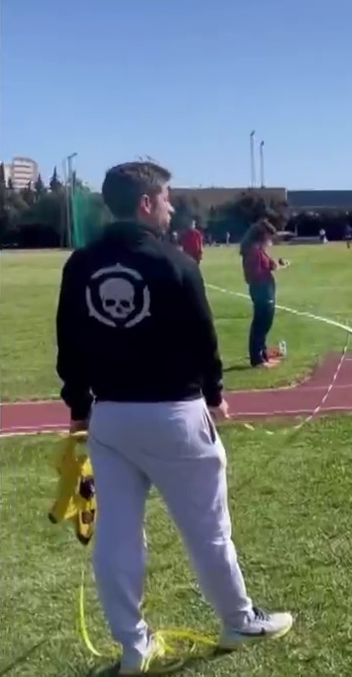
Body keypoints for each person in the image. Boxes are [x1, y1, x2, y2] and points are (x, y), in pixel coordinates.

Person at [55, 161, 293, 675]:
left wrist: (79, 409)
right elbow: (203, 340)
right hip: (174, 415)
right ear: (145, 203)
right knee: (207, 529)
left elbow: (69, 343)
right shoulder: (175, 263)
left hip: (110, 417)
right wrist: (215, 396)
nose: (170, 206)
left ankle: (133, 645)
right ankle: (238, 619)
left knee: (118, 534)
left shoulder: (81, 264)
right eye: (165, 198)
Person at [240, 220, 288, 368]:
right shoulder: (253, 251)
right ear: (262, 236)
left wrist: (275, 265)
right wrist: (269, 270)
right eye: (269, 237)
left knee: (265, 324)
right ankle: (257, 359)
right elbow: (253, 274)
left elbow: (267, 264)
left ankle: (263, 355)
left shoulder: (258, 250)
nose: (270, 240)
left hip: (265, 290)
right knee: (261, 324)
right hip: (261, 291)